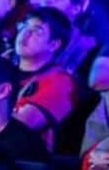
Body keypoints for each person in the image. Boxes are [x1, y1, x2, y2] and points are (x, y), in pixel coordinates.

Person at [11, 10, 80, 150]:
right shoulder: (1, 66)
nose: (25, 33)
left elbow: (22, 124)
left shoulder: (60, 82)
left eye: (37, 30)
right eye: (24, 26)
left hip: (22, 160)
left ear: (54, 44)